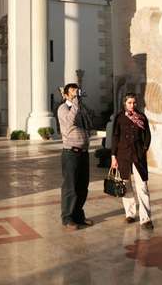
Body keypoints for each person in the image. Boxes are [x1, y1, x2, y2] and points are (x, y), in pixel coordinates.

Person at [111, 92, 153, 230]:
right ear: (125, 103)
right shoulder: (119, 118)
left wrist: (144, 148)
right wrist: (113, 156)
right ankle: (130, 214)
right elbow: (115, 137)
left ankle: (145, 218)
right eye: (129, 102)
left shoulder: (141, 117)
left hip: (138, 156)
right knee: (126, 185)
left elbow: (147, 135)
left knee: (142, 187)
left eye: (134, 102)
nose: (132, 105)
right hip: (123, 155)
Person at [58, 83, 93, 230]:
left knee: (82, 187)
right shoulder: (63, 108)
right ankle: (67, 218)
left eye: (76, 90)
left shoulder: (80, 107)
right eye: (72, 91)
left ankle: (78, 215)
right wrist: (76, 102)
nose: (75, 93)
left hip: (83, 152)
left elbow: (87, 122)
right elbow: (70, 120)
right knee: (70, 187)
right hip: (70, 153)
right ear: (65, 95)